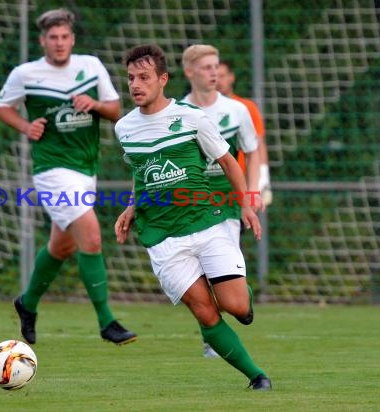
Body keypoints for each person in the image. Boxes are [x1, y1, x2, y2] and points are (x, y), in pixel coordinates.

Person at [114, 44, 272, 390]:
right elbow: (142, 174)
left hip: (206, 221)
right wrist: (130, 206)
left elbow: (229, 161)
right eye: (130, 78)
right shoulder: (124, 128)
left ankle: (237, 294)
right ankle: (257, 376)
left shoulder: (191, 118)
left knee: (236, 306)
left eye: (144, 77)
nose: (135, 85)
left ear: (163, 79)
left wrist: (245, 203)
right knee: (204, 312)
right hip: (161, 236)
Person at [0, 8, 136, 346]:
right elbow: (2, 107)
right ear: (43, 40)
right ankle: (106, 322)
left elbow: (115, 109)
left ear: (72, 39)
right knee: (91, 235)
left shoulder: (90, 66)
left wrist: (95, 104)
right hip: (52, 169)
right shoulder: (26, 73)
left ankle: (26, 304)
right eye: (52, 38)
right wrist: (26, 126)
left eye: (64, 37)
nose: (59, 43)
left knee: (62, 245)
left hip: (86, 168)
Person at [180, 45, 261, 358]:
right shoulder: (178, 112)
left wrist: (250, 195)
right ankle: (209, 336)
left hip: (227, 203)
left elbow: (252, 151)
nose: (214, 72)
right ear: (189, 72)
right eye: (206, 67)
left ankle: (243, 297)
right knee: (197, 275)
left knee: (225, 286)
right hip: (190, 205)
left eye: (216, 66)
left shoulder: (236, 110)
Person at [216, 60, 272, 207]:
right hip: (212, 184)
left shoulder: (246, 107)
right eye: (215, 76)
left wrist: (263, 180)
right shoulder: (201, 109)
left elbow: (258, 144)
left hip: (240, 184)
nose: (219, 81)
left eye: (222, 75)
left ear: (231, 77)